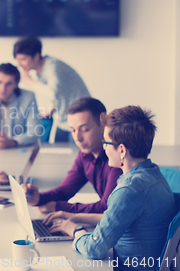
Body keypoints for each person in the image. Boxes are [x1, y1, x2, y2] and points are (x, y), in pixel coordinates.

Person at [45, 106, 176, 271]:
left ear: (121, 150)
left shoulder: (130, 189)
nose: (103, 147)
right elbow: (115, 218)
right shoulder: (154, 173)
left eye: (105, 142)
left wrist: (75, 230)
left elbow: (94, 249)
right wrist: (75, 216)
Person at [22, 97, 122, 213]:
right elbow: (65, 191)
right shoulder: (85, 154)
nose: (77, 138)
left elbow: (106, 207)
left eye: (84, 129)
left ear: (103, 126)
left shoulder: (116, 158)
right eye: (73, 130)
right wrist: (38, 198)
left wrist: (59, 207)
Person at [13, 37, 90, 142]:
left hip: (80, 119)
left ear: (36, 56)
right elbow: (62, 92)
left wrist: (30, 81)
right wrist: (51, 109)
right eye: (17, 60)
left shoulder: (52, 66)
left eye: (22, 59)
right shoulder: (39, 70)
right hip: (64, 119)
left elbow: (53, 93)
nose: (19, 64)